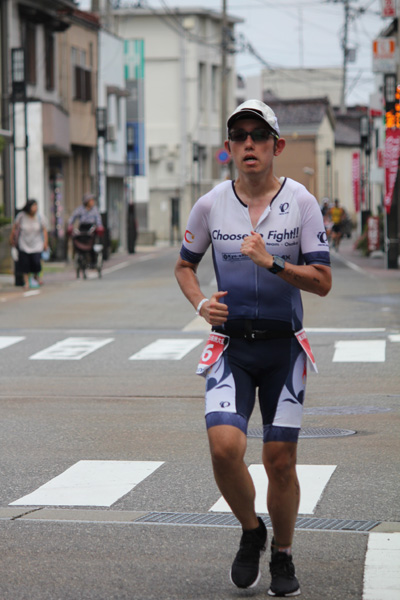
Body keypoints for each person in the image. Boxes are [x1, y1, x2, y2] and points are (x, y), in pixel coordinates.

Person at [175, 99, 331, 597]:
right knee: (225, 449)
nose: (249, 143)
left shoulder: (301, 202)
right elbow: (184, 265)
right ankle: (250, 530)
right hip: (232, 348)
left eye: (258, 135)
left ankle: (283, 553)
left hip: (284, 349)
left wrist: (273, 264)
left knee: (279, 460)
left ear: (276, 146)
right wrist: (201, 304)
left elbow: (323, 281)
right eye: (239, 135)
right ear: (228, 147)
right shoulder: (211, 204)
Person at [9, 199, 48, 290]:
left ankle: (36, 276)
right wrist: (11, 238)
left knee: (36, 262)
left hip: (37, 244)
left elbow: (44, 230)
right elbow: (15, 228)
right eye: (33, 206)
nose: (35, 208)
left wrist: (45, 242)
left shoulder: (40, 217)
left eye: (36, 206)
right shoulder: (21, 216)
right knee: (25, 264)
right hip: (23, 243)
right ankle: (26, 282)